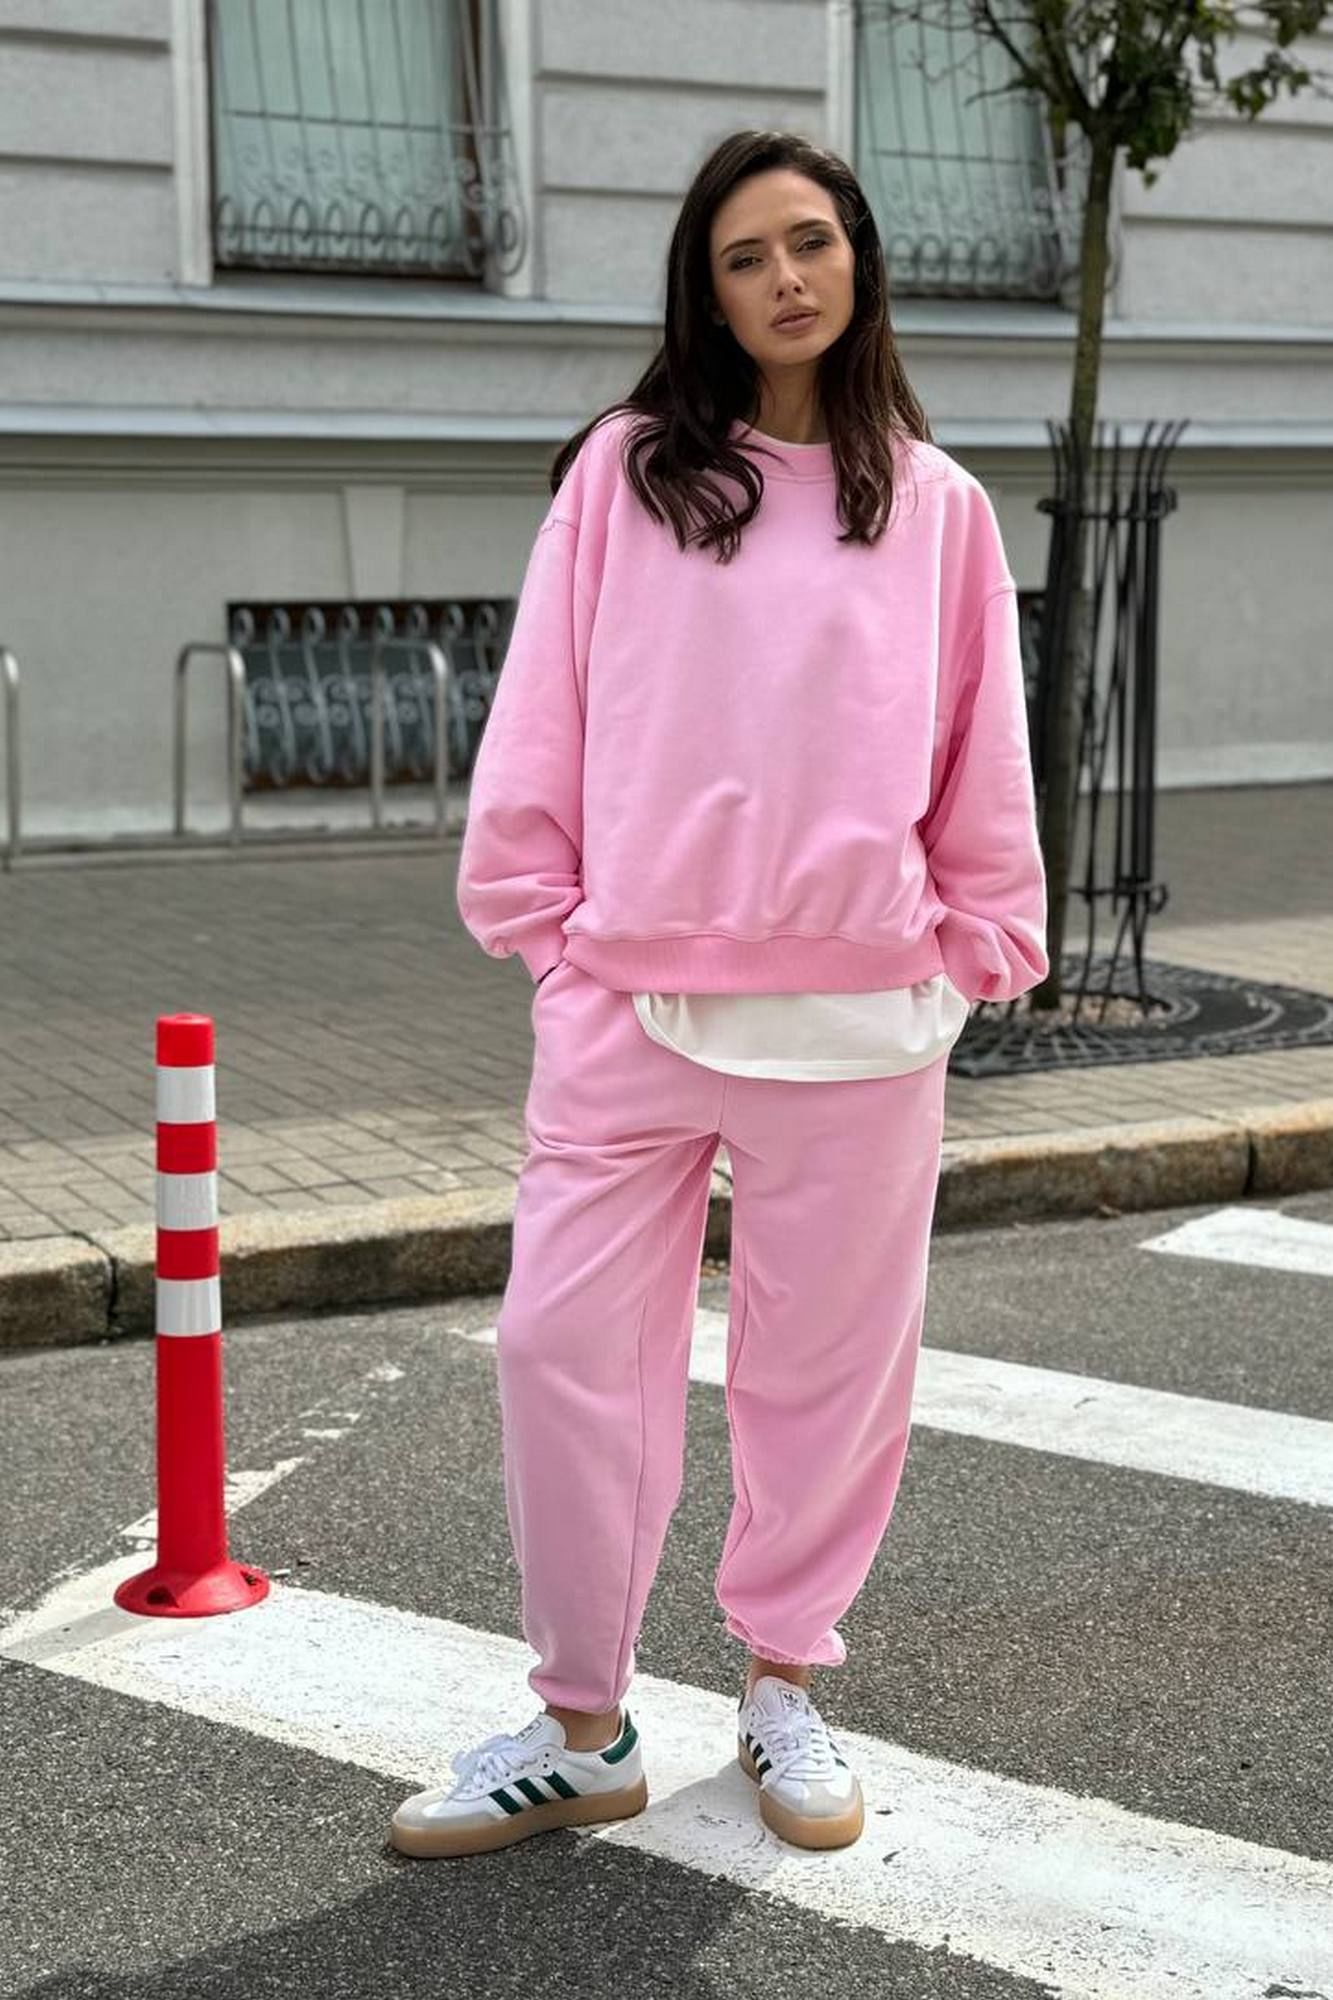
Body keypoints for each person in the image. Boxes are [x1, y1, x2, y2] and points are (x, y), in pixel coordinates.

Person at [390, 127, 1047, 1861]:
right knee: (560, 1349)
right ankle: (578, 1724)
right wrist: (546, 932)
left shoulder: (937, 505)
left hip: (864, 1016)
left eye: (808, 241)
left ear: (859, 260)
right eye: (744, 255)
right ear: (706, 288)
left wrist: (974, 947)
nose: (783, 279)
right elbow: (547, 704)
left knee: (825, 1372)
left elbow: (981, 747)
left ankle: (781, 1683)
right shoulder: (627, 475)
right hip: (627, 996)